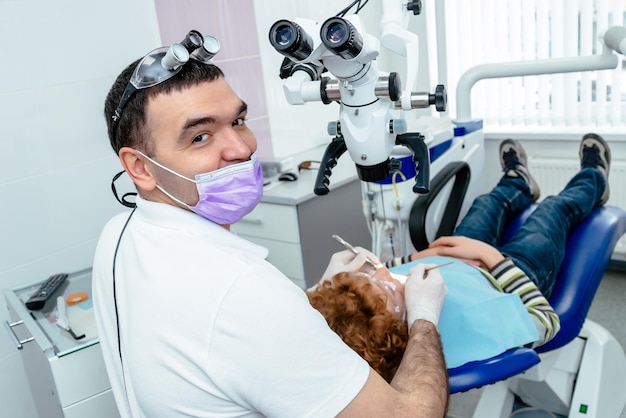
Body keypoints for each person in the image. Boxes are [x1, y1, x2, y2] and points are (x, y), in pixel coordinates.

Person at [92, 30, 449, 418]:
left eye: (239, 120)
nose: (243, 149)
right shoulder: (243, 297)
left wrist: (304, 297)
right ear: (139, 167)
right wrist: (423, 316)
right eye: (200, 136)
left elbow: (208, 343)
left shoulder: (118, 236)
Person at [307, 134, 611, 380]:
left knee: (485, 204)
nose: (384, 274)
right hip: (513, 273)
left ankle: (518, 181)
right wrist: (490, 256)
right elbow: (547, 320)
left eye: (369, 277)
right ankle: (594, 179)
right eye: (387, 289)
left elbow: (391, 270)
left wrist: (429, 253)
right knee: (553, 210)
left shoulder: (381, 306)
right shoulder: (450, 340)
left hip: (456, 261)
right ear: (403, 331)